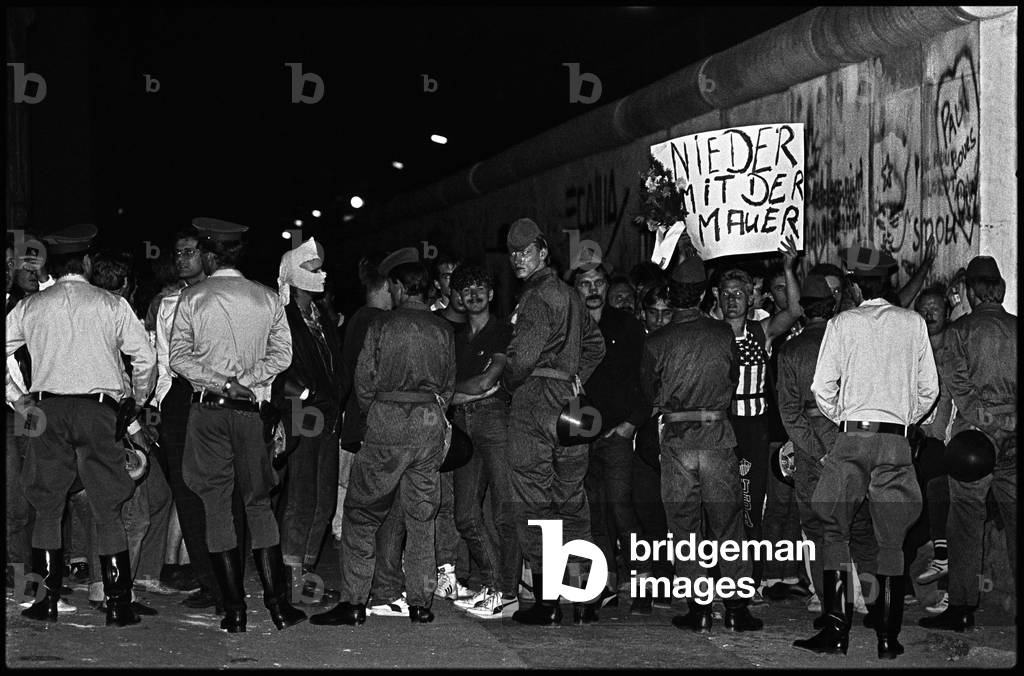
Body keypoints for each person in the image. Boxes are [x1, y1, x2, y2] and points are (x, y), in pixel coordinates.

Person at [6, 223, 156, 626]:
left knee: (47, 507)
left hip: (46, 412)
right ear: (88, 262)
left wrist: (17, 399)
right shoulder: (110, 305)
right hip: (98, 410)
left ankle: (45, 601)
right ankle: (118, 604)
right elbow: (145, 359)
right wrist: (136, 401)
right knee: (108, 508)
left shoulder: (32, 306)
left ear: (51, 265)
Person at [796, 252, 938, 659]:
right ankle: (888, 641)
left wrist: (847, 417)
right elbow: (929, 389)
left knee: (833, 529)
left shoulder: (842, 324)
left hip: (853, 438)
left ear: (856, 285)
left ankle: (837, 634)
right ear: (889, 283)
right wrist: (900, 422)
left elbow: (822, 388)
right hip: (896, 441)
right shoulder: (913, 323)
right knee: (891, 542)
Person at [169, 217, 304, 633]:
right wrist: (250, 381)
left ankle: (233, 611)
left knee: (215, 504)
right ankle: (279, 607)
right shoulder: (267, 299)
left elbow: (178, 358)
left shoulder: (192, 298)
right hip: (250, 413)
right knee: (259, 504)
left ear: (210, 255)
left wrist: (223, 382)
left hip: (208, 410)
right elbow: (283, 355)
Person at [312, 253, 455, 626]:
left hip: (389, 421)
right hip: (428, 424)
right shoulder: (442, 329)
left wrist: (378, 414)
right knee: (422, 516)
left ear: (398, 287)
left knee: (360, 514)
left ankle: (355, 601)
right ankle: (421, 603)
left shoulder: (383, 324)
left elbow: (364, 381)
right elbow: (449, 385)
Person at [641, 255, 763, 633]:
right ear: (701, 295)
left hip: (677, 441)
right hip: (717, 437)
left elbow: (648, 393)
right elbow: (731, 374)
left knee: (684, 526)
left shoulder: (657, 341)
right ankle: (737, 609)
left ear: (673, 295)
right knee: (728, 525)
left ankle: (698, 609)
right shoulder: (723, 333)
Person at [503, 217, 606, 626]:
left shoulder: (534, 298)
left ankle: (546, 601)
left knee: (533, 502)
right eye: (512, 253)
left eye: (525, 251)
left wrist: (513, 385)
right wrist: (573, 377)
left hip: (535, 403)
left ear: (543, 251)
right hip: (572, 403)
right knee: (572, 500)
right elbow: (595, 346)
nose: (517, 259)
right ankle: (584, 595)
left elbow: (522, 360)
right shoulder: (570, 295)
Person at [154, 225, 248, 613]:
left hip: (222, 395)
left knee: (228, 491)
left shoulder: (226, 296)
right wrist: (160, 404)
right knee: (187, 493)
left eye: (189, 252)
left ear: (208, 256)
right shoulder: (167, 304)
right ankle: (209, 579)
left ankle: (231, 579)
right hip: (180, 397)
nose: (181, 259)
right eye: (176, 253)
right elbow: (162, 360)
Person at [920, 256, 1016, 632]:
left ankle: (960, 608)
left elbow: (958, 387)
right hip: (1015, 439)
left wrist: (987, 422)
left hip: (975, 441)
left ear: (973, 293)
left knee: (964, 524)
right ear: (998, 289)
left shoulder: (960, 332)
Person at [776, 275, 878, 627]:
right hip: (850, 439)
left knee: (819, 531)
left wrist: (817, 451)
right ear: (833, 305)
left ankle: (833, 607)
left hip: (811, 447)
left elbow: (789, 411)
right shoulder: (852, 342)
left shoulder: (790, 351)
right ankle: (875, 604)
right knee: (861, 526)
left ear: (802, 309)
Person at [714, 236, 803, 596]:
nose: (733, 298)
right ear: (717, 297)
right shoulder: (710, 332)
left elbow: (795, 311)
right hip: (721, 426)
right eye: (726, 292)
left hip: (753, 427)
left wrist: (788, 268)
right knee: (720, 502)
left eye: (740, 292)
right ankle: (722, 575)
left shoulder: (761, 331)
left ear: (751, 296)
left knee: (752, 501)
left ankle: (750, 579)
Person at [447, 264, 522, 619]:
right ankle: (496, 585)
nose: (474, 296)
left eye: (480, 289)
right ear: (458, 298)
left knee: (506, 511)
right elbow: (454, 386)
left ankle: (508, 594)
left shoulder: (503, 330)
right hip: (461, 425)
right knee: (465, 515)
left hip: (495, 420)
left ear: (491, 294)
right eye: (467, 291)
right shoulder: (455, 336)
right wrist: (457, 395)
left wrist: (453, 393)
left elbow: (488, 381)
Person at [571, 263, 648, 609]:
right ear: (575, 289)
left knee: (621, 506)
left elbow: (647, 379)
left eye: (598, 282)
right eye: (585, 283)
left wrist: (632, 422)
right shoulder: (567, 328)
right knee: (591, 511)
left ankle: (643, 582)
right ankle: (603, 585)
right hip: (579, 431)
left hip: (617, 431)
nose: (592, 289)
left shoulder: (627, 325)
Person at [271, 237, 342, 603]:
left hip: (327, 413)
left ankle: (307, 573)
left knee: (324, 497)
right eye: (311, 269)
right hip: (303, 411)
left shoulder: (321, 316)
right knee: (301, 495)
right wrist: (301, 395)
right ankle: (291, 578)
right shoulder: (281, 318)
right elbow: (276, 368)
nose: (320, 275)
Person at [907, 286, 954, 615]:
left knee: (939, 514)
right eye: (924, 308)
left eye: (936, 307)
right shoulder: (910, 349)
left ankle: (939, 589)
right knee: (911, 514)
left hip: (944, 443)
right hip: (914, 440)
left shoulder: (955, 347)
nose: (930, 313)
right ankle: (916, 587)